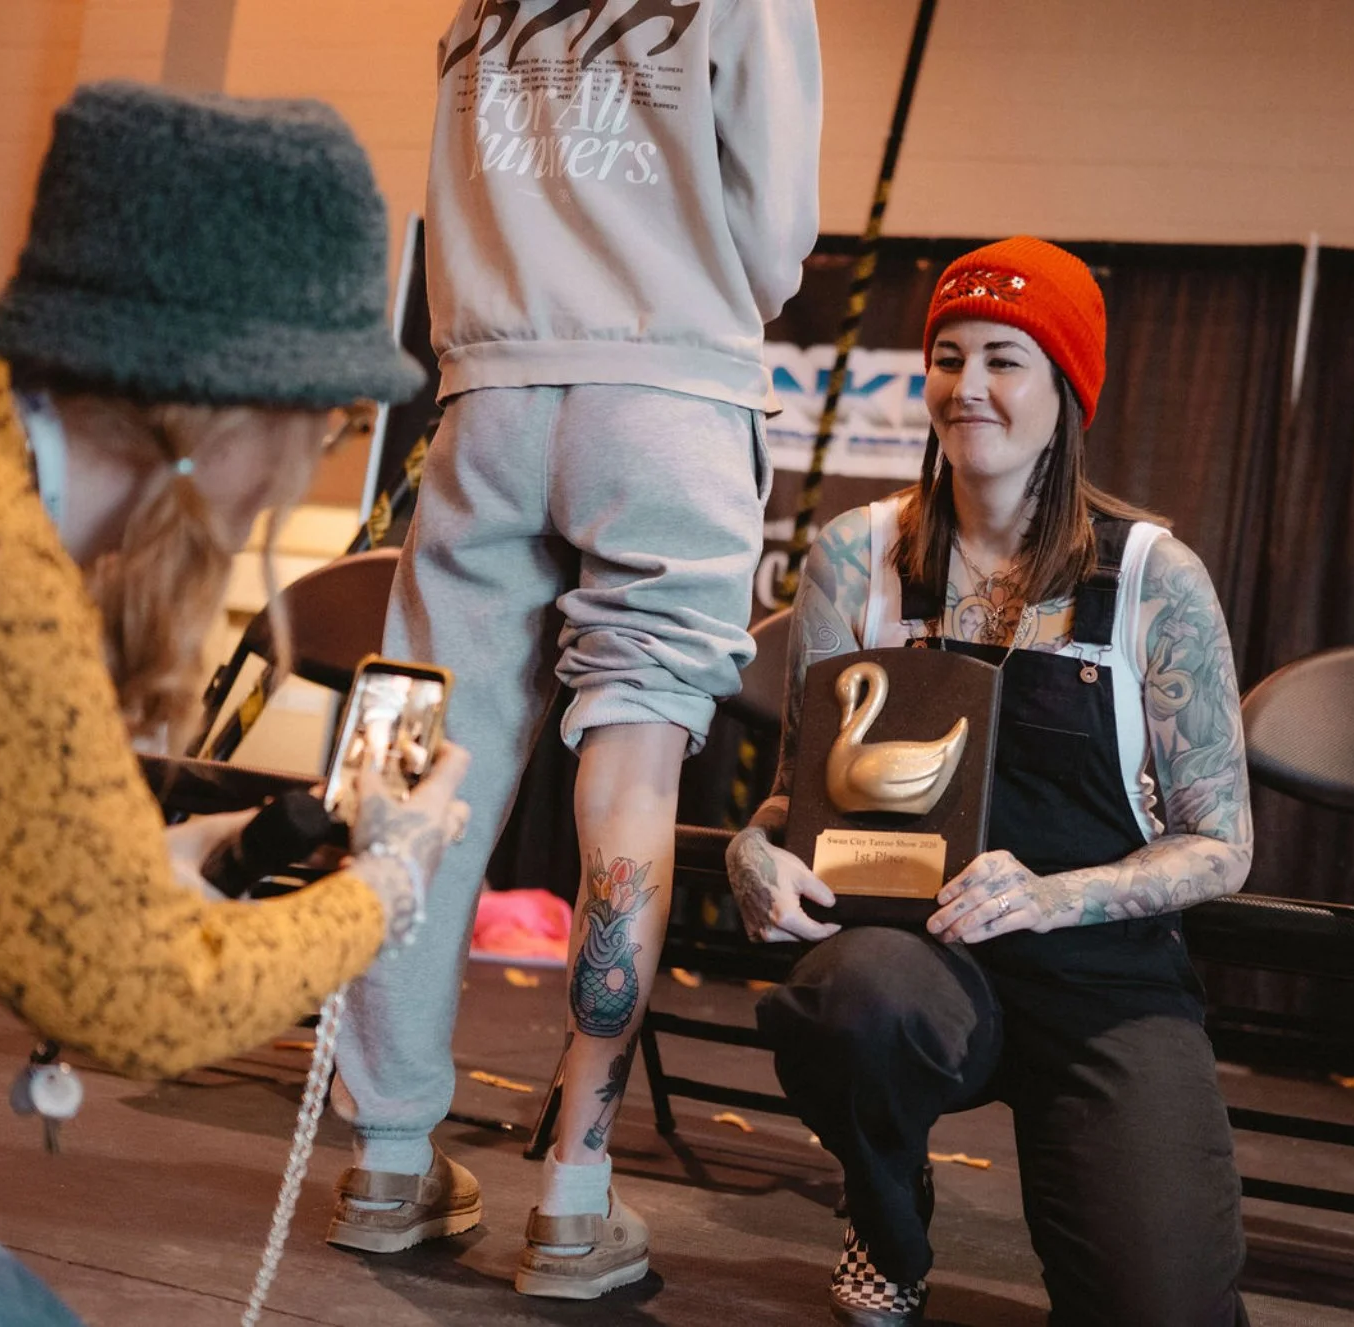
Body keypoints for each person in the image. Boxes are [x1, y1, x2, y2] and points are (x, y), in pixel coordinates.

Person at [0, 81, 470, 1324]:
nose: (307, 459)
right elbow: (143, 998)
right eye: (324, 423)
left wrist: (144, 860)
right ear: (232, 412)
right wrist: (391, 880)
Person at [326, 0, 822, 1301]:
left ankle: (384, 1159)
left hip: (485, 393)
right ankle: (572, 1194)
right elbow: (774, 240)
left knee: (417, 746)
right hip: (669, 388)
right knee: (632, 768)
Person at [726, 237, 1253, 1327]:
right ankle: (887, 1218)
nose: (968, 387)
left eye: (1005, 360)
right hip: (914, 954)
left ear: (1067, 391)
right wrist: (751, 849)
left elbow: (1222, 844)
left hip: (1102, 979)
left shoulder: (1152, 579)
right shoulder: (856, 558)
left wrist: (1054, 896)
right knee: (850, 1003)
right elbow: (795, 797)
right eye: (949, 357)